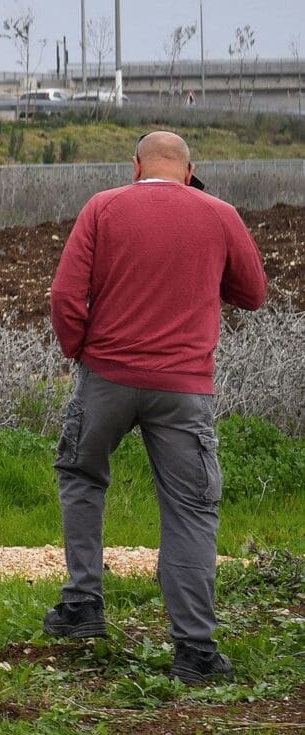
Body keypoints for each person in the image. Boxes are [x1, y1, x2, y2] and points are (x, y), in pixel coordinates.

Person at [44, 132, 266, 684]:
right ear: (191, 171)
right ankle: (194, 652)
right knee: (190, 509)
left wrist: (82, 352)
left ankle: (82, 605)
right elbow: (254, 292)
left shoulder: (104, 206)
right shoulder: (219, 214)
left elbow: (65, 296)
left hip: (107, 379)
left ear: (136, 165)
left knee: (81, 475)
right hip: (184, 388)